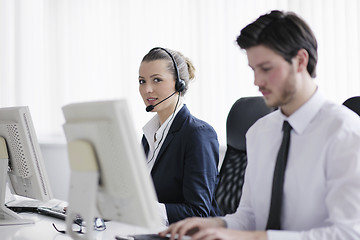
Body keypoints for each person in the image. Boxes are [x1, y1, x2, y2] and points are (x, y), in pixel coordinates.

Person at [160, 10, 360, 240]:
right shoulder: (260, 132)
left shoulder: (345, 132)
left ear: (301, 61)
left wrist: (254, 238)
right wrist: (214, 224)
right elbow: (250, 216)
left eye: (266, 69)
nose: (257, 82)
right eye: (253, 70)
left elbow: (349, 233)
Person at [138, 47, 221, 225]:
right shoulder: (149, 135)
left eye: (157, 80)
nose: (147, 89)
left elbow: (198, 212)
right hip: (152, 230)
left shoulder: (198, 134)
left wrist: (143, 207)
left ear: (179, 84)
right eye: (142, 81)